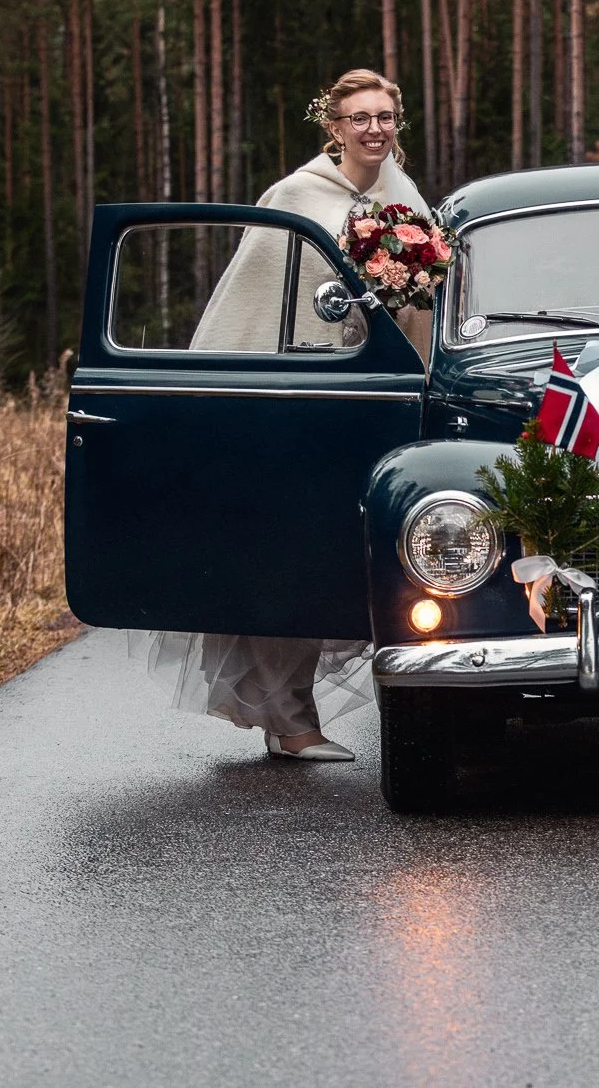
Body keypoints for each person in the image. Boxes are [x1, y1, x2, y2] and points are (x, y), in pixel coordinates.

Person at [138, 68, 431, 762]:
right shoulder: (296, 196)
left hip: (375, 401)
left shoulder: (406, 198)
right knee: (289, 554)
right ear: (333, 127)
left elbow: (421, 299)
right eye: (358, 118)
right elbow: (258, 300)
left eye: (385, 117)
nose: (373, 130)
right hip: (302, 402)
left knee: (373, 560)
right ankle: (289, 722)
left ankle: (423, 700)